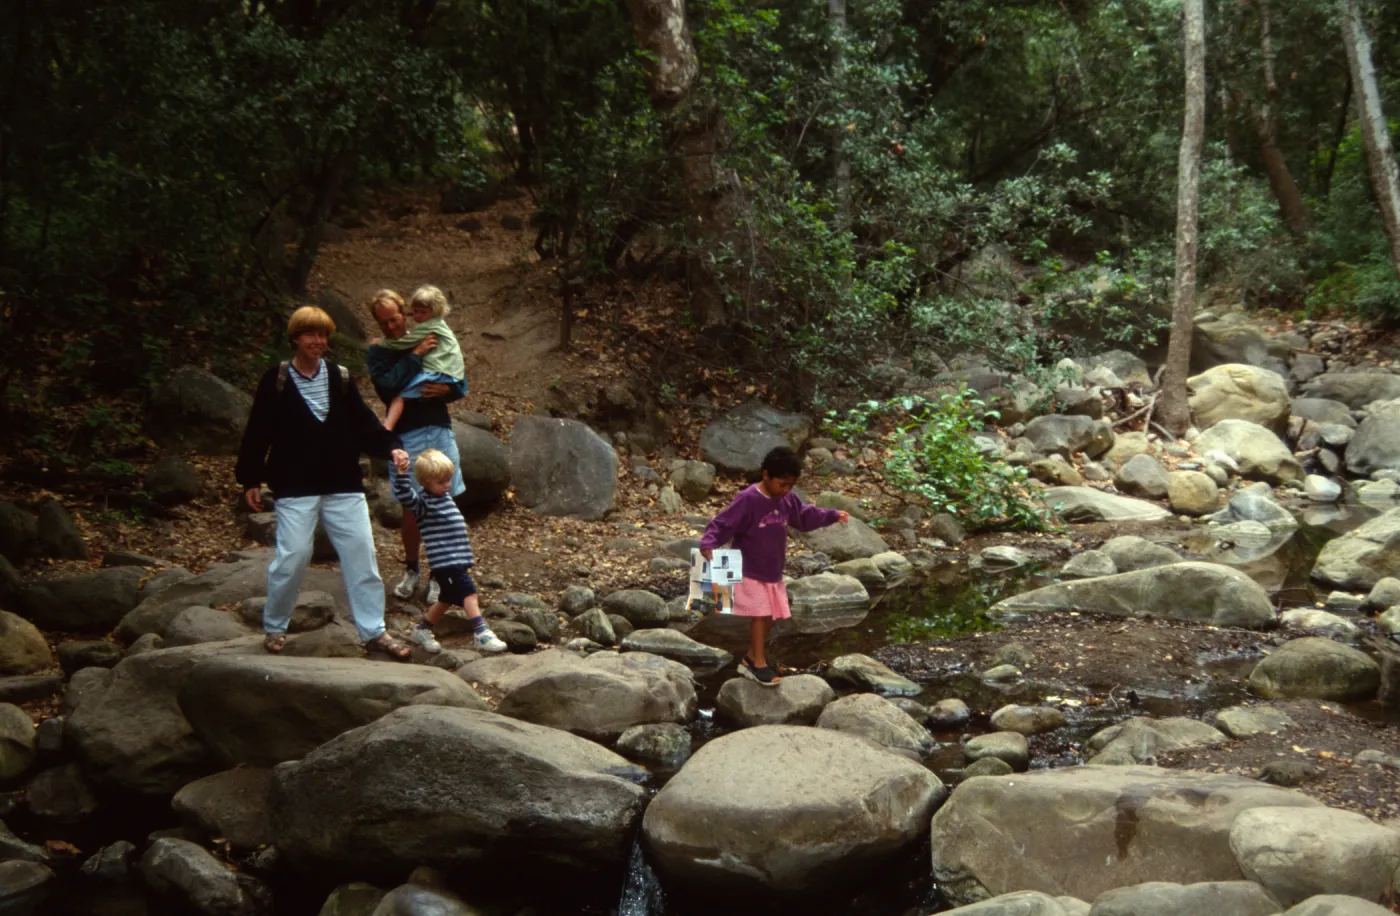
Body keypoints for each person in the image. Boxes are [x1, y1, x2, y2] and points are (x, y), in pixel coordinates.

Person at [236, 305, 414, 659]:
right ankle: (275, 625)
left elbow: (364, 424)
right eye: (309, 335)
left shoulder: (339, 377)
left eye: (322, 335)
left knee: (362, 557)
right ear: (295, 338)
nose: (317, 342)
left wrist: (392, 448)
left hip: (343, 483)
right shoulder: (277, 379)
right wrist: (250, 478)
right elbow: (258, 431)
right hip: (294, 484)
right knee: (293, 557)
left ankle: (374, 632)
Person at [700, 446, 849, 685]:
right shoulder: (748, 499)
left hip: (772, 569)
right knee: (761, 614)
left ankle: (750, 657)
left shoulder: (787, 499)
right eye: (782, 483)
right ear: (766, 475)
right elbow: (723, 522)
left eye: (791, 485)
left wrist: (831, 515)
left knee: (769, 615)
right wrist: (709, 541)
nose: (786, 489)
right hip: (750, 567)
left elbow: (805, 516)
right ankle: (758, 663)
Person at [366, 289, 465, 605]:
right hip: (406, 437)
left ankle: (440, 573)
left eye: (396, 318)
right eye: (385, 322)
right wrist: (416, 355)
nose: (393, 326)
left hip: (438, 428)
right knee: (412, 508)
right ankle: (412, 569)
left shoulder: (429, 334)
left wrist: (448, 389)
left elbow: (458, 377)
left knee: (445, 504)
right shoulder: (380, 351)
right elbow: (389, 387)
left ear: (405, 314)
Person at [391, 448, 507, 653]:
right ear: (426, 482)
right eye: (441, 482)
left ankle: (421, 629)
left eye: (448, 480)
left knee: (447, 599)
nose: (447, 485)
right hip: (446, 562)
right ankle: (481, 633)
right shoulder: (423, 502)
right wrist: (401, 475)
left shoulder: (443, 497)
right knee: (469, 593)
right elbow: (405, 496)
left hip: (456, 560)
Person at [377, 285, 466, 431]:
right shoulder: (438, 325)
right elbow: (387, 385)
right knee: (402, 396)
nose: (417, 316)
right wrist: (416, 353)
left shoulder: (428, 327)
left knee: (400, 397)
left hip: (438, 372)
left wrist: (382, 343)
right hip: (449, 372)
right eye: (415, 311)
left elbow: (405, 342)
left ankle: (387, 427)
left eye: (423, 312)